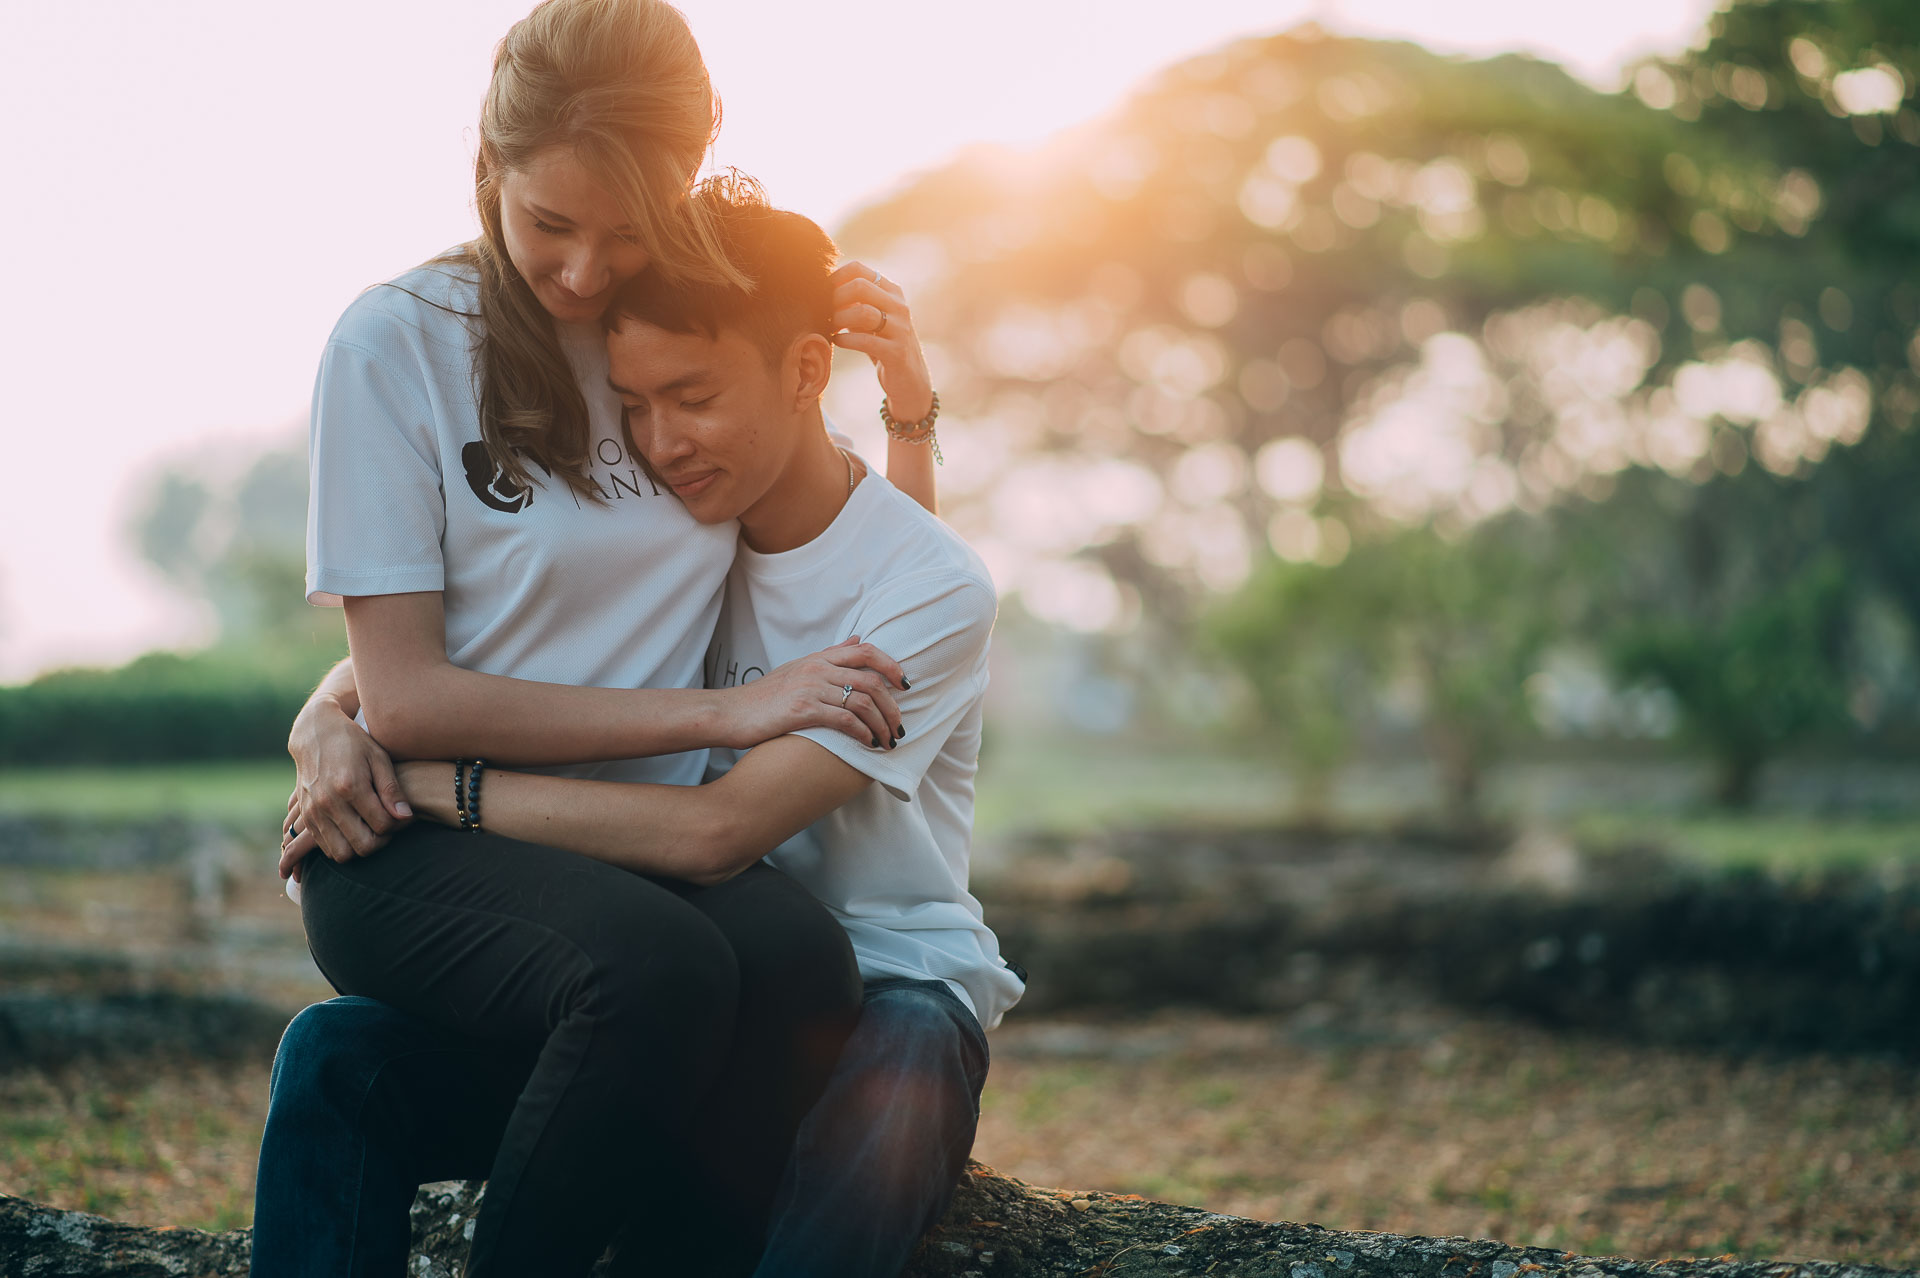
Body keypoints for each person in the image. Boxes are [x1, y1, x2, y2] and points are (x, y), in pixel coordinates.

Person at [249, 1, 952, 1275]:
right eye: (548, 227)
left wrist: (910, 406)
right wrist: (332, 717)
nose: (581, 275)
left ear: (687, 179)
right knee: (658, 972)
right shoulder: (396, 346)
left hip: (620, 847)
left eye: (624, 234)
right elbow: (404, 684)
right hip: (417, 841)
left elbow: (874, 564)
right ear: (489, 170)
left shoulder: (685, 323)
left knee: (800, 967)